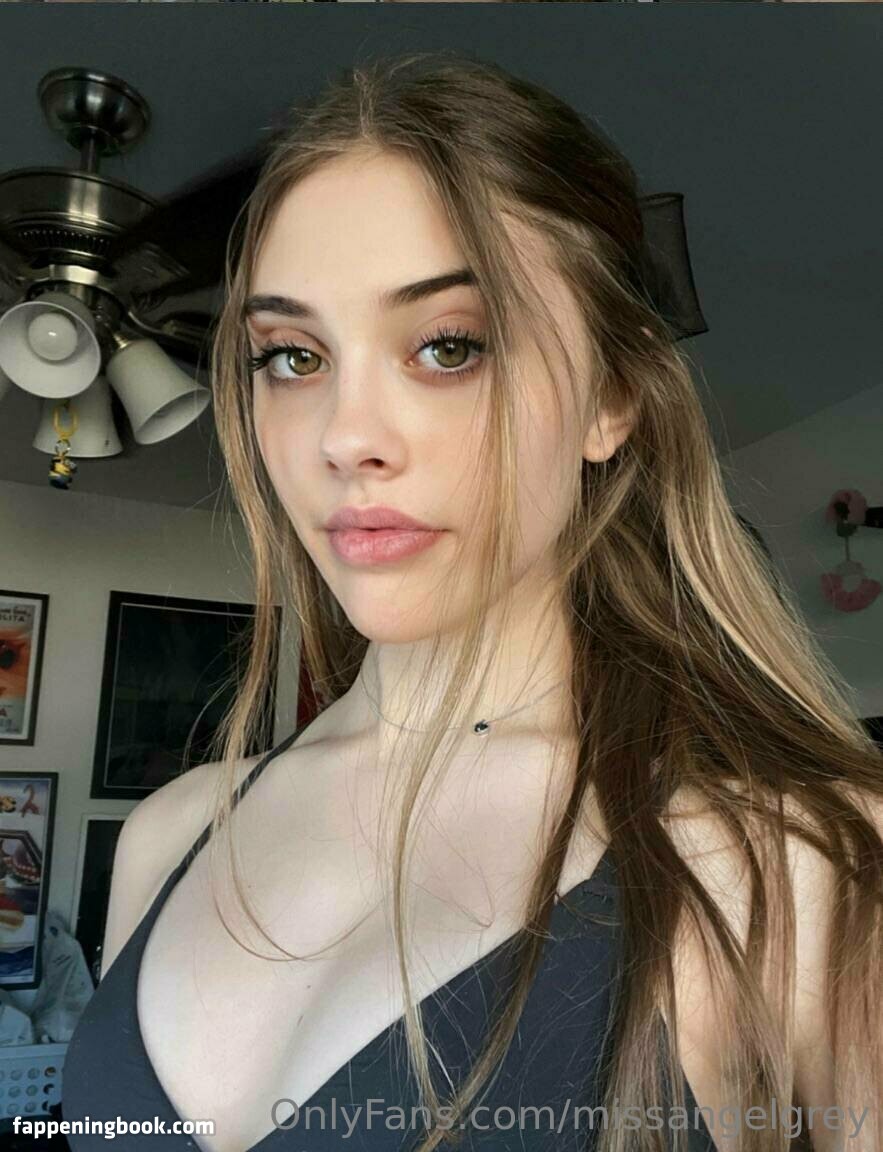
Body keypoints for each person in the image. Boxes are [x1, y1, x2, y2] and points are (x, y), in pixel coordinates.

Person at [63, 53, 882, 1152]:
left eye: (448, 346)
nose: (345, 436)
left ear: (610, 398)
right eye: (292, 357)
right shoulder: (168, 838)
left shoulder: (802, 864)